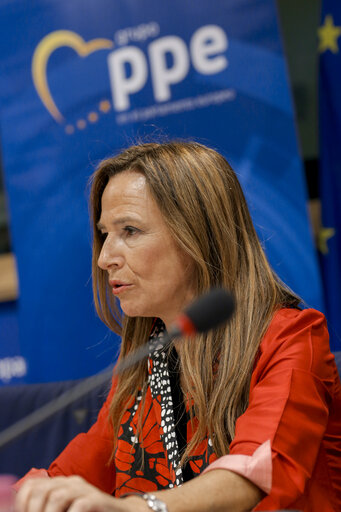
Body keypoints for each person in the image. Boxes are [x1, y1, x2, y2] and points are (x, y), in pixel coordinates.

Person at [15, 142, 341, 512]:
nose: (105, 258)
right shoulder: (146, 362)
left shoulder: (292, 338)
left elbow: (255, 475)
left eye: (131, 231)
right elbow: (73, 473)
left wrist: (136, 508)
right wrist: (26, 498)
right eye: (105, 234)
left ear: (198, 235)